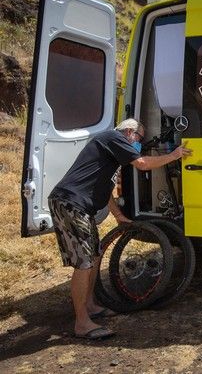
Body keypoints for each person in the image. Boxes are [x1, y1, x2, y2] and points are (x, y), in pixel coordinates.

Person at [47, 118, 191, 339]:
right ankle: (82, 323)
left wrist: (118, 216)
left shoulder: (111, 151)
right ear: (129, 132)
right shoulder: (113, 137)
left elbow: (104, 189)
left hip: (77, 205)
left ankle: (91, 306)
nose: (139, 144)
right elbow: (142, 163)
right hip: (71, 203)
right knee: (84, 263)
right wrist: (174, 155)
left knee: (94, 256)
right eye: (139, 139)